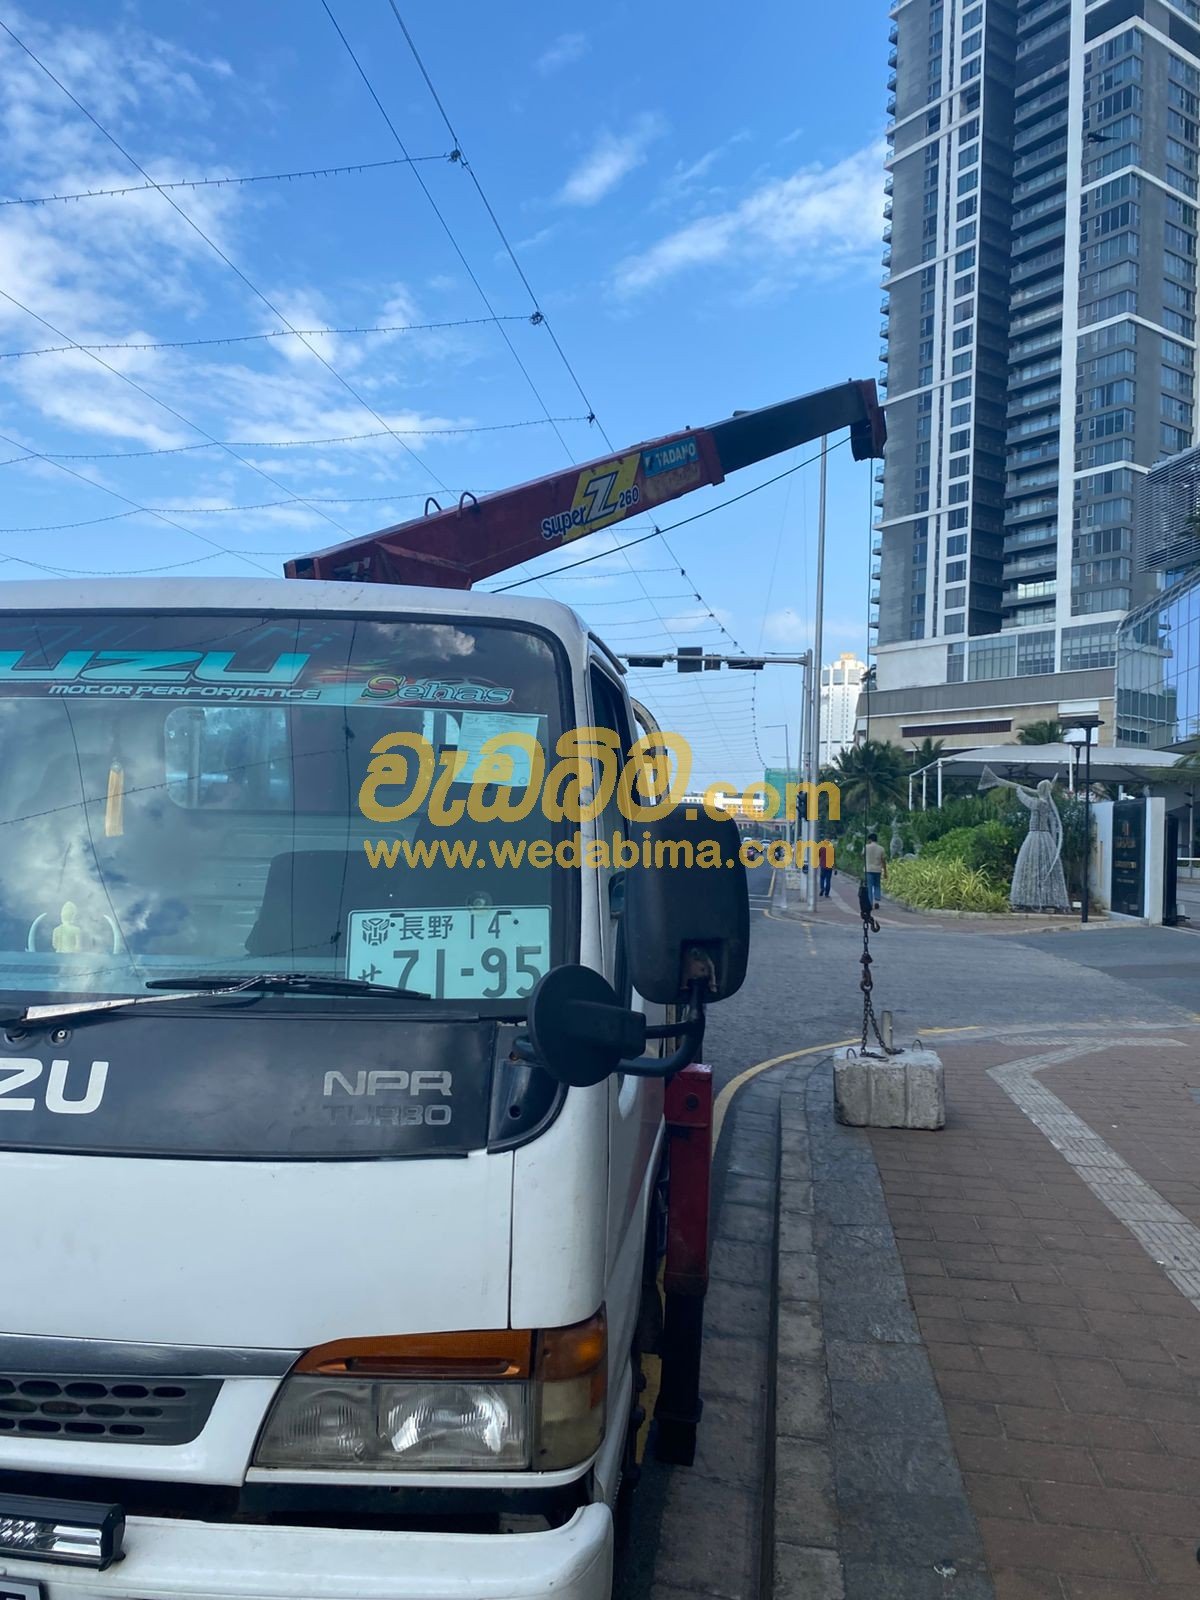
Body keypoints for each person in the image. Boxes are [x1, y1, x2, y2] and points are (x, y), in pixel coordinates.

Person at [863, 831, 886, 909]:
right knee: (877, 885)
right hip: (878, 870)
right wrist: (885, 871)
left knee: (869, 887)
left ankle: (870, 903)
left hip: (868, 869)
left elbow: (862, 855)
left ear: (870, 840)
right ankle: (877, 901)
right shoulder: (881, 848)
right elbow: (883, 860)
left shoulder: (866, 847)